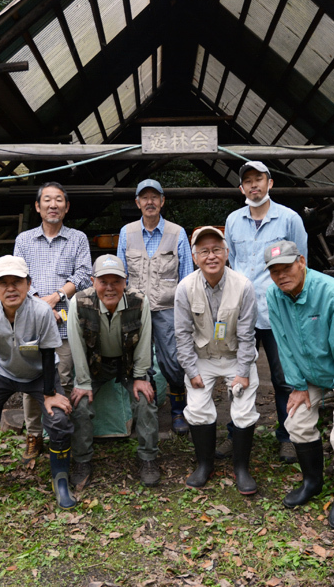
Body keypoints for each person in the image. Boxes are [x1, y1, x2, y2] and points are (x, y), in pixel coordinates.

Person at [265, 241, 334, 530]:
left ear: (301, 261)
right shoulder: (274, 296)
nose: (281, 275)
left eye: (286, 267)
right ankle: (312, 481)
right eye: (274, 271)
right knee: (296, 421)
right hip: (308, 371)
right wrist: (297, 385)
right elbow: (283, 343)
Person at [0, 255, 76, 509]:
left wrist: (49, 394)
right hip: (2, 373)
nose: (11, 288)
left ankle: (61, 482)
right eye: (3, 283)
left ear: (28, 283)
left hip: (40, 374)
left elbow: (48, 353)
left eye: (17, 282)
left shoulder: (42, 311)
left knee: (59, 419)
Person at [224, 161, 308, 463]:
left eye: (258, 179)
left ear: (270, 183)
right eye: (247, 181)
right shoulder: (233, 221)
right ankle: (235, 433)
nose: (253, 185)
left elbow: (301, 264)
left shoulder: (289, 219)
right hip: (243, 312)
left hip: (279, 313)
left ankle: (287, 436)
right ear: (241, 188)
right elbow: (231, 262)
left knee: (284, 377)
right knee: (239, 374)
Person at [173, 226, 259, 494]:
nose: (211, 256)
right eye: (204, 251)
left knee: (243, 410)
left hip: (236, 356)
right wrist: (191, 370)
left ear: (227, 253)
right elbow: (182, 334)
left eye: (216, 250)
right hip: (202, 357)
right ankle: (204, 464)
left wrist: (243, 371)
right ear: (195, 256)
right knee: (198, 409)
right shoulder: (185, 288)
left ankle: (241, 467)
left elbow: (247, 335)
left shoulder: (243, 286)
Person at [13, 182, 92, 469]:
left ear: (66, 207)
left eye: (59, 200)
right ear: (38, 206)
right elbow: (18, 275)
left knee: (63, 379)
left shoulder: (78, 239)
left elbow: (84, 274)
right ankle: (34, 435)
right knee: (29, 380)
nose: (53, 205)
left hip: (66, 323)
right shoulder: (24, 240)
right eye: (47, 200)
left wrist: (57, 297)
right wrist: (38, 303)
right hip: (31, 323)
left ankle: (60, 432)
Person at [67, 254, 160, 489]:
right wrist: (83, 382)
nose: (110, 288)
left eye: (116, 281)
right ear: (92, 281)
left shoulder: (139, 301)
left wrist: (140, 377)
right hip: (94, 365)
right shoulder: (79, 302)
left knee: (146, 400)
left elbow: (144, 342)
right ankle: (82, 460)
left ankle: (148, 457)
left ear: (125, 282)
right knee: (80, 404)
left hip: (127, 364)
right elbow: (76, 346)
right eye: (103, 281)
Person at [116, 179, 194, 435]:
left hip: (168, 309)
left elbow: (186, 277)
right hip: (136, 309)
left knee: (173, 361)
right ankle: (146, 414)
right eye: (144, 197)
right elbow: (120, 275)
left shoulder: (177, 232)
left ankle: (178, 411)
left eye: (154, 197)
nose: (150, 202)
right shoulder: (127, 233)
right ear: (137, 203)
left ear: (162, 201)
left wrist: (187, 313)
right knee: (140, 362)